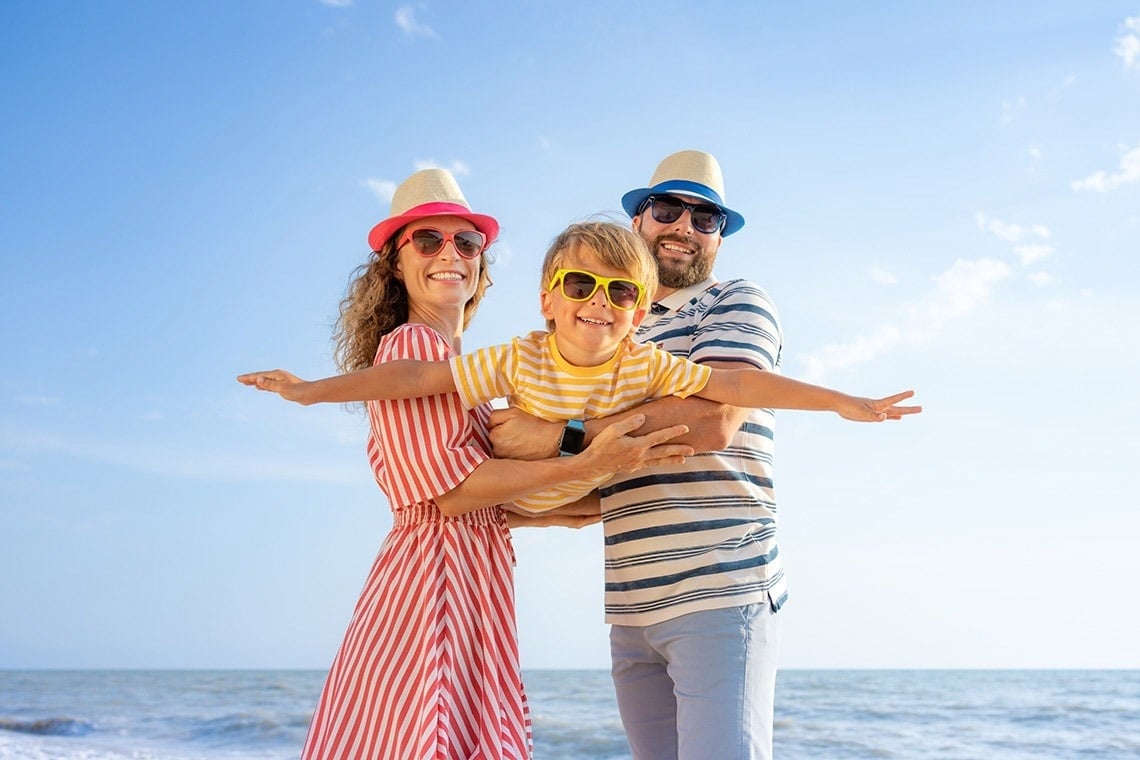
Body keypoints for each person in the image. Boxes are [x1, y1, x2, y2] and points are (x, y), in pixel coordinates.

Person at [239, 168, 693, 760]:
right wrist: (581, 462)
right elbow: (450, 495)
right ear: (395, 265)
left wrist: (566, 506)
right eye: (427, 240)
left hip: (466, 575)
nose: (449, 254)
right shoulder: (412, 348)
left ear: (481, 261)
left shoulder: (456, 362)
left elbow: (479, 502)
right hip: (433, 585)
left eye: (467, 242)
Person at [486, 150, 907, 759]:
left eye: (705, 218)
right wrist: (515, 509)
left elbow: (715, 420)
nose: (684, 226)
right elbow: (610, 480)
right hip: (631, 603)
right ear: (639, 221)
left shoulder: (735, 300)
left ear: (718, 238)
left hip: (722, 587)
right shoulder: (620, 330)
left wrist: (559, 435)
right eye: (667, 209)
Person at [240, 221, 918, 517]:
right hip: (511, 507)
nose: (600, 303)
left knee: (623, 474)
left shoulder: (644, 363)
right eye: (579, 286)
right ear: (547, 301)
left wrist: (840, 401)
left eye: (622, 293)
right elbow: (416, 380)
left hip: (567, 504)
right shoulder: (518, 358)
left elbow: (737, 384)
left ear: (640, 312)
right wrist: (310, 391)